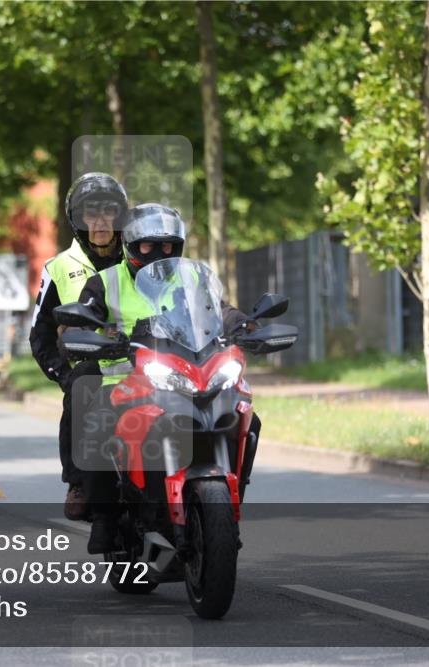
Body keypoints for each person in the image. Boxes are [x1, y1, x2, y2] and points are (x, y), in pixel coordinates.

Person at [74, 203, 260, 553]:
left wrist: (245, 324)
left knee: (246, 412)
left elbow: (219, 310)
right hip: (126, 375)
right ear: (130, 245)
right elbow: (80, 321)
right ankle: (105, 516)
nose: (159, 253)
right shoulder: (105, 282)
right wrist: (89, 337)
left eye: (168, 246)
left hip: (189, 369)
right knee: (97, 420)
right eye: (147, 246)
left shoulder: (191, 278)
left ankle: (229, 495)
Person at [29, 172, 128, 520]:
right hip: (90, 363)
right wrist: (61, 373)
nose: (100, 221)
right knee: (81, 386)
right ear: (77, 219)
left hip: (142, 360)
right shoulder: (58, 267)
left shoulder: (140, 258)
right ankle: (79, 482)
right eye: (91, 213)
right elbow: (40, 332)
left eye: (108, 211)